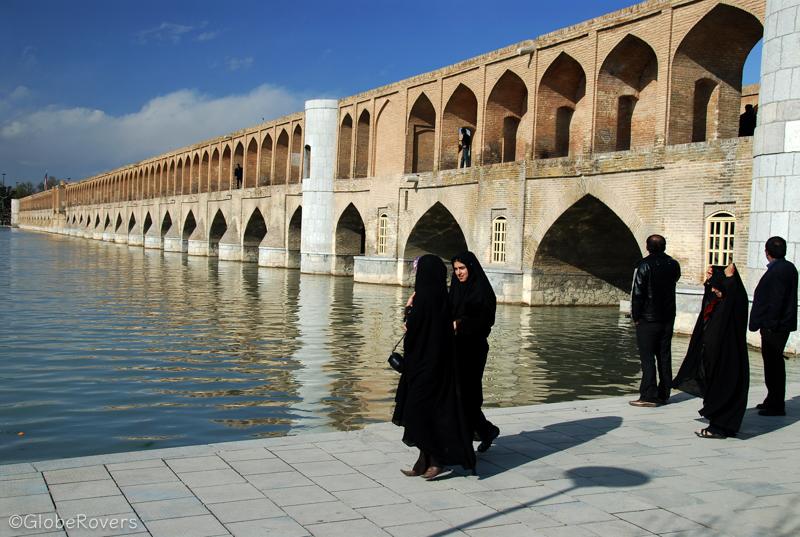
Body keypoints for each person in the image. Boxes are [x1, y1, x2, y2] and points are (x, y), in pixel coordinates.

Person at [392, 255, 475, 479]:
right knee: (427, 412)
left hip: (423, 367)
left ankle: (436, 458)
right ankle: (423, 460)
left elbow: (412, 331)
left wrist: (408, 309)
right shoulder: (442, 298)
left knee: (417, 412)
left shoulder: (424, 299)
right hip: (434, 365)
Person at [673, 264, 750, 438]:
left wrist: (729, 279)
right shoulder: (719, 302)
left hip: (727, 358)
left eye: (717, 285)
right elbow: (710, 298)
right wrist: (713, 280)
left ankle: (719, 428)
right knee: (716, 390)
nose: (714, 289)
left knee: (724, 390)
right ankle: (721, 425)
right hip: (716, 357)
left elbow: (734, 296)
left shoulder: (734, 303)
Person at [449, 251, 500, 453]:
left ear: (471, 268)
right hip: (455, 348)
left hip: (474, 349)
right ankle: (484, 430)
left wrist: (461, 324)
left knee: (467, 393)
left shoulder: (483, 292)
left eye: (462, 268)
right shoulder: (455, 290)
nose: (459, 273)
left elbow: (486, 320)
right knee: (458, 394)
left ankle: (478, 434)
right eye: (455, 269)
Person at [749, 236, 798, 417]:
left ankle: (776, 404)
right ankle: (772, 399)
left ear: (767, 252)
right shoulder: (788, 268)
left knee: (773, 365)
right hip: (779, 324)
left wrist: (768, 324)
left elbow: (776, 301)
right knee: (772, 364)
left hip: (775, 326)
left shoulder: (778, 271)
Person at [630, 234, 681, 407]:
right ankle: (664, 392)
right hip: (667, 317)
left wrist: (636, 317)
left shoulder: (644, 265)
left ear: (648, 247)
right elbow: (674, 280)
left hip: (648, 318)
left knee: (647, 357)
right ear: (664, 246)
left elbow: (638, 293)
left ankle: (648, 395)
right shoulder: (673, 264)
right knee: (664, 356)